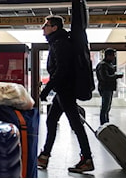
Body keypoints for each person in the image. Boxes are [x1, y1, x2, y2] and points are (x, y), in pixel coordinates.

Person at [38, 15, 94, 173]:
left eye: (46, 25)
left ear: (54, 28)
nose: (43, 28)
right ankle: (44, 156)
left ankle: (87, 159)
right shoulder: (58, 42)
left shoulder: (60, 43)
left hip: (65, 91)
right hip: (62, 91)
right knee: (51, 121)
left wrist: (46, 90)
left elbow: (62, 70)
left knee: (76, 125)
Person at [95, 48, 123, 125]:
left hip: (108, 88)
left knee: (107, 107)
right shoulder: (103, 65)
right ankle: (104, 123)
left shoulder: (107, 64)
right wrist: (116, 76)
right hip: (105, 88)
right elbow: (105, 77)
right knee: (105, 107)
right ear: (108, 56)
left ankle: (106, 122)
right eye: (113, 55)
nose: (114, 57)